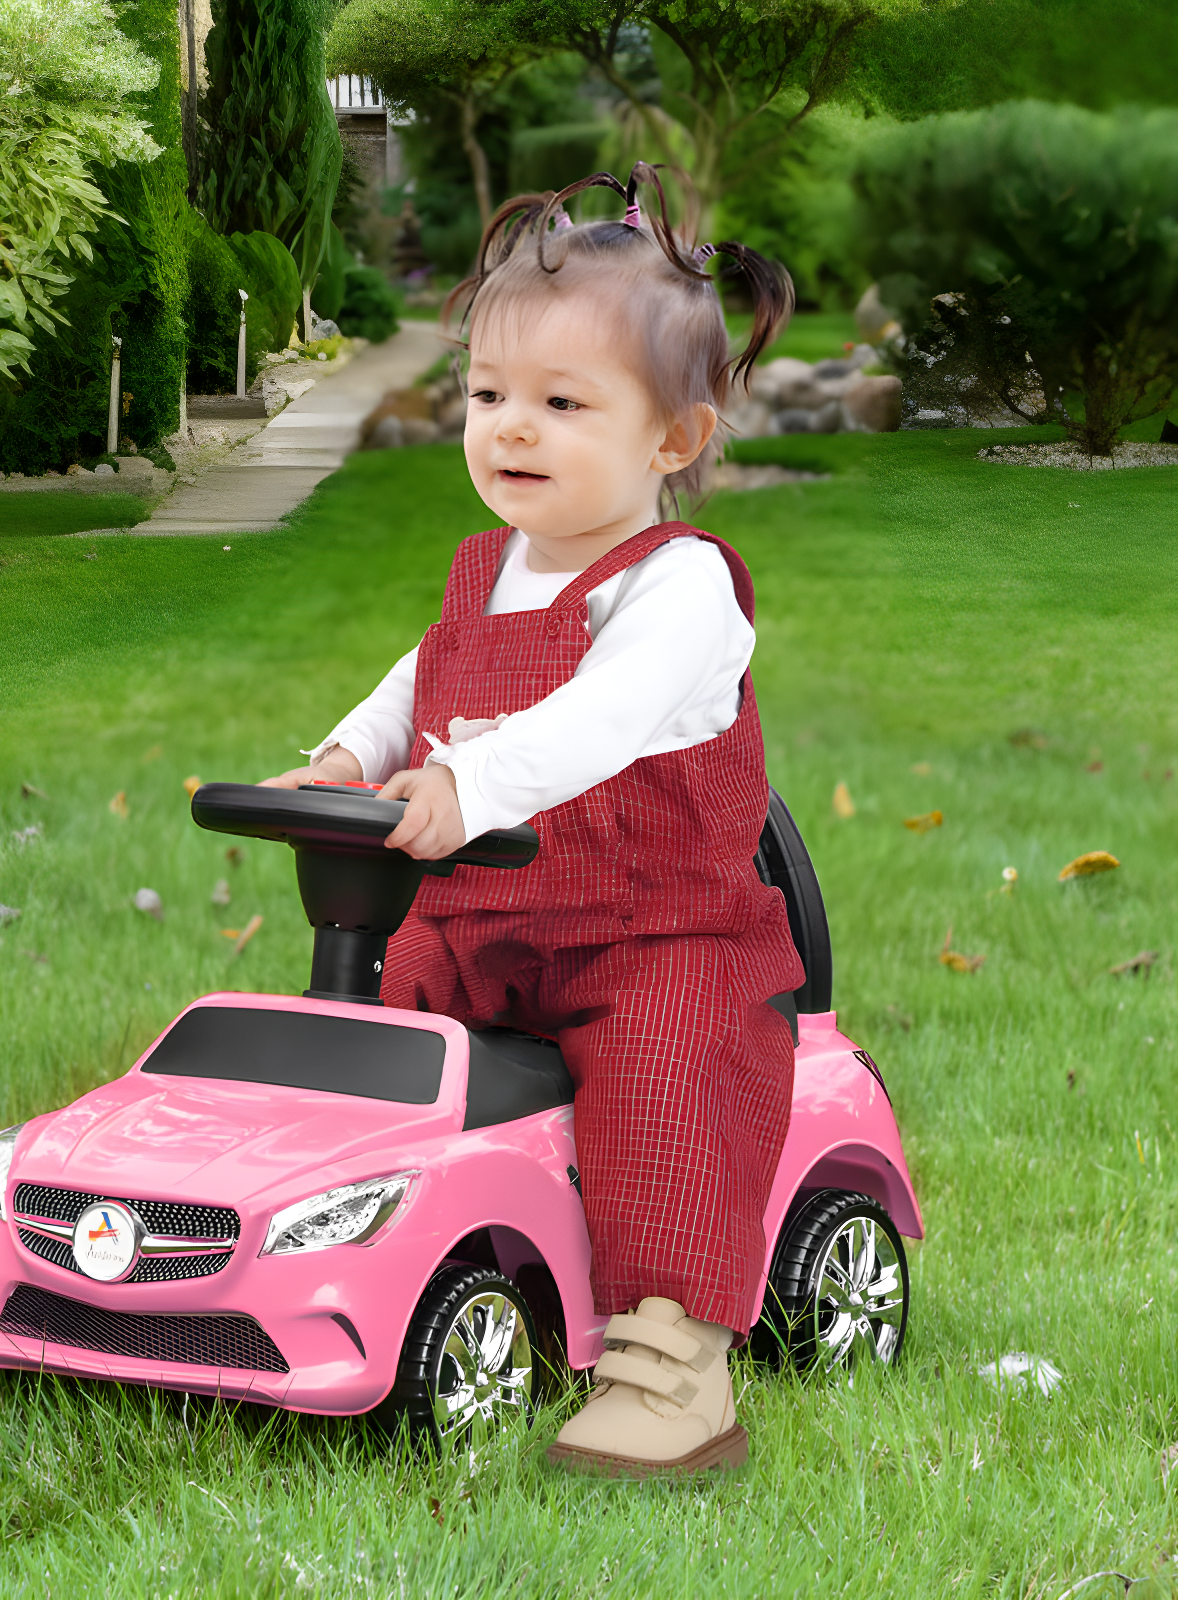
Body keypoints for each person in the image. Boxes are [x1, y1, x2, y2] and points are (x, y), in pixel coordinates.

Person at [262, 164, 805, 1478]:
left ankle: (672, 1370)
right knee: (356, 1032)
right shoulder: (486, 568)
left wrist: (468, 786)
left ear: (673, 438)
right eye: (490, 396)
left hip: (654, 934)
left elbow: (597, 720)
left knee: (668, 1077)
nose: (512, 429)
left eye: (562, 405)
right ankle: (316, 1268)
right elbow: (425, 676)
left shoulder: (681, 591)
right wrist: (347, 755)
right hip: (481, 927)